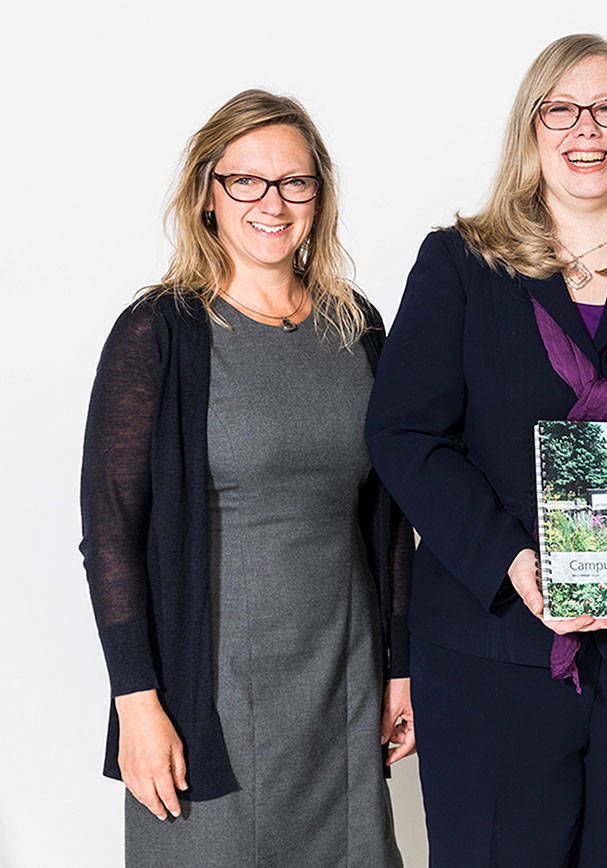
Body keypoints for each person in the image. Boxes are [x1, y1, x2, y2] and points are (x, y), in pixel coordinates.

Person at [365, 33, 607, 868]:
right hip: (491, 661)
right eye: (563, 110)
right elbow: (405, 435)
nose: (588, 130)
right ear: (531, 128)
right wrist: (510, 560)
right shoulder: (460, 265)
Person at [80, 89, 414, 867]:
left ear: (319, 196)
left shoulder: (358, 327)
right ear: (207, 192)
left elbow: (391, 517)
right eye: (247, 182)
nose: (273, 202)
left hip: (343, 693)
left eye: (295, 182)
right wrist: (136, 704)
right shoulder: (158, 333)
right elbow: (109, 530)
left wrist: (400, 668)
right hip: (209, 704)